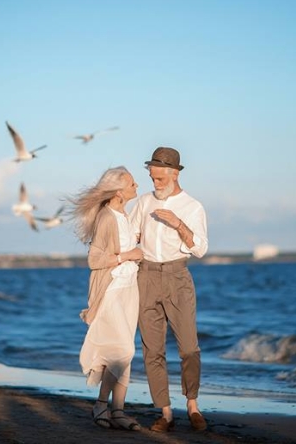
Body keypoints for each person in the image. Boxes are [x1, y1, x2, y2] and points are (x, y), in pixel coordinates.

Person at [129, 146, 209, 432]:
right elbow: (130, 237)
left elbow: (200, 248)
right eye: (152, 178)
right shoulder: (142, 203)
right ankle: (165, 412)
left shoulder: (192, 206)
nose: (155, 184)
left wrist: (178, 224)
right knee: (152, 350)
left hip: (177, 276)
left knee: (189, 347)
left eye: (160, 179)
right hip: (146, 277)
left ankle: (193, 405)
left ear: (174, 174)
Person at [70, 166, 144, 431]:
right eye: (133, 184)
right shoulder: (106, 218)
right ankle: (102, 404)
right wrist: (128, 255)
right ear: (119, 191)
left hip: (129, 289)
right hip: (112, 291)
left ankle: (118, 410)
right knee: (123, 349)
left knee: (123, 351)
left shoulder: (124, 215)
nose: (137, 186)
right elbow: (95, 260)